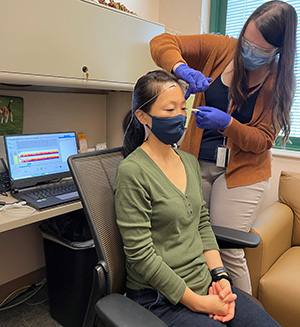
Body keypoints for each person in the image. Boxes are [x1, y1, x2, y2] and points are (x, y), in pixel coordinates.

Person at [150, 0, 297, 294]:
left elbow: (263, 140)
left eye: (261, 49)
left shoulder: (280, 82)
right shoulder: (221, 49)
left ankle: (244, 315)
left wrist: (226, 124)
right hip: (196, 162)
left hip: (243, 173)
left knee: (226, 249)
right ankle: (206, 308)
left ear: (278, 50)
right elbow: (161, 42)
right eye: (247, 41)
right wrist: (181, 69)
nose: (249, 51)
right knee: (191, 240)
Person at [114, 69, 281, 326]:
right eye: (170, 110)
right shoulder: (132, 172)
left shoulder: (189, 161)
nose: (180, 117)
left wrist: (221, 277)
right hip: (160, 298)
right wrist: (198, 302)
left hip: (205, 283)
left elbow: (202, 223)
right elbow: (140, 255)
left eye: (183, 108)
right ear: (142, 116)